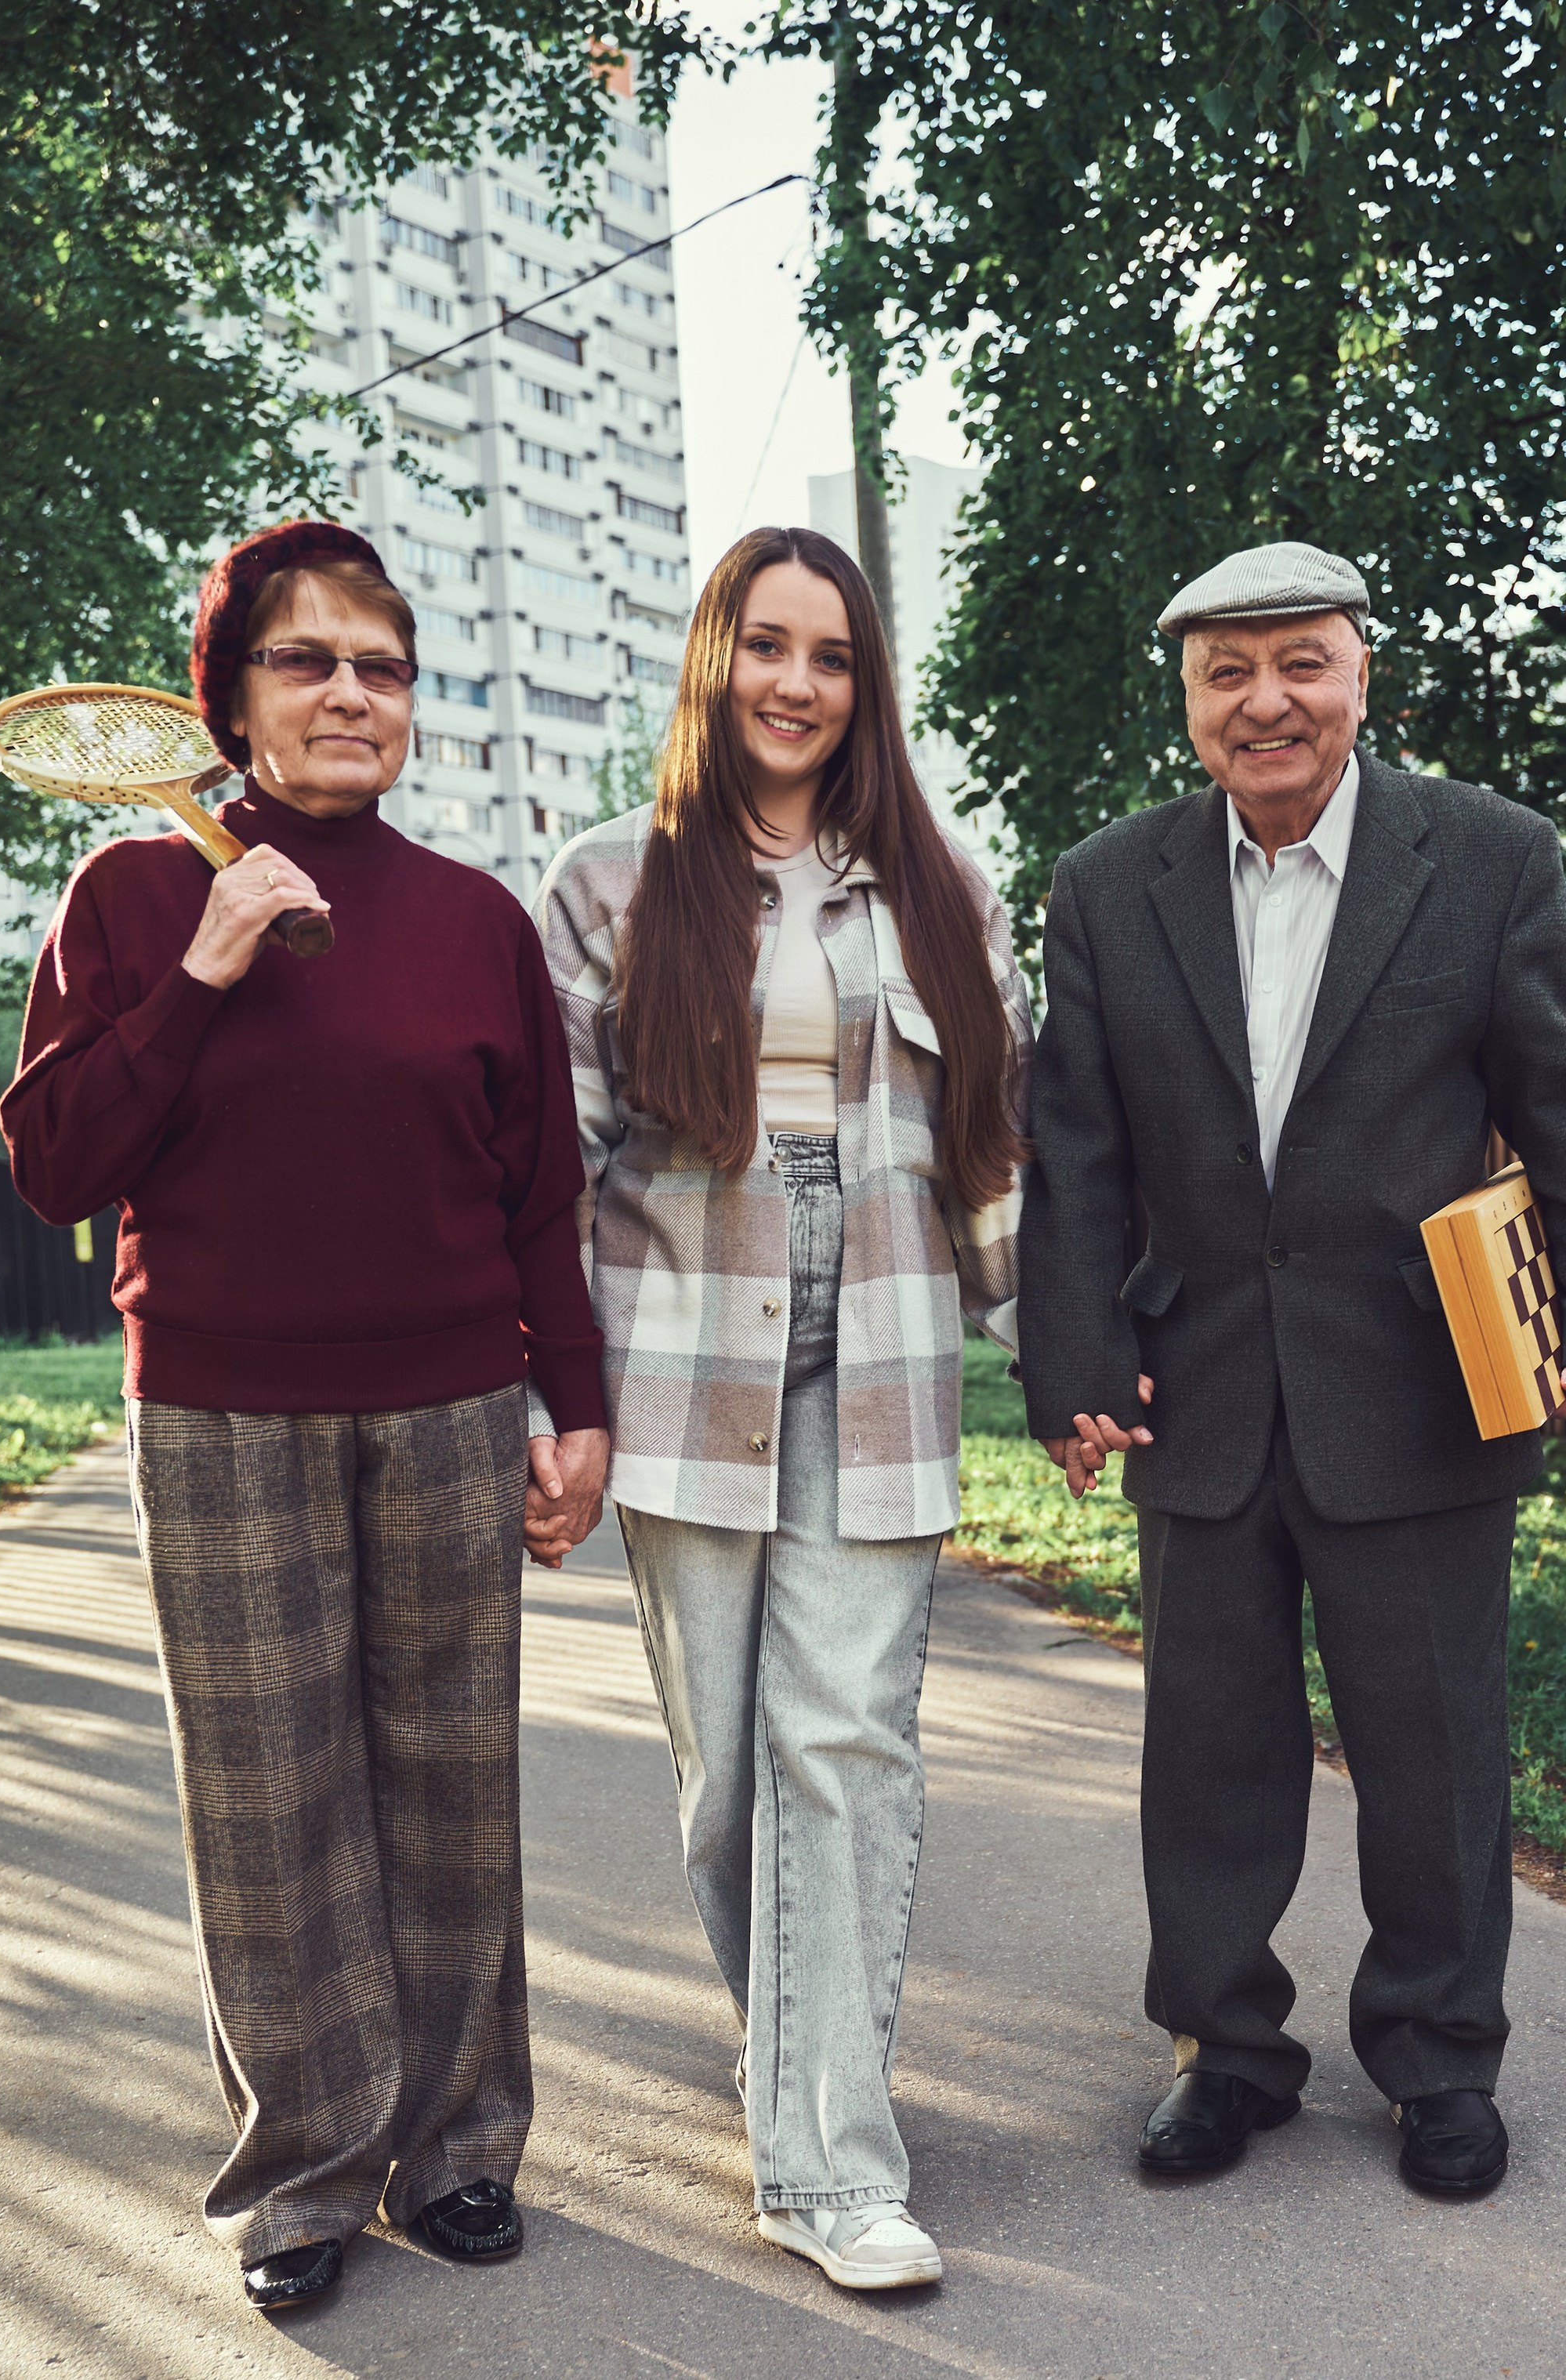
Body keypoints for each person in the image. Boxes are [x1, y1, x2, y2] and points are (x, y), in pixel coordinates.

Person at [2, 520, 608, 2313]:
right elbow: (53, 1165)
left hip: (445, 1403)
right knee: (272, 1806)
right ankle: (304, 2179)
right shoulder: (131, 893)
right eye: (307, 657)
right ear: (230, 694)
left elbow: (538, 1194)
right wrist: (203, 966)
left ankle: (461, 2146)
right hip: (219, 1409)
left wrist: (570, 1402)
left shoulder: (474, 920)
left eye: (383, 664)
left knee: (450, 1786)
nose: (352, 690)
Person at [1019, 539, 1566, 2200]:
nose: (1264, 700)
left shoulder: (1487, 857)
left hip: (1428, 1378)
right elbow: (1073, 1146)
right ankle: (1222, 2051)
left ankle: (1440, 2059)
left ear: (1359, 673)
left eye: (1296, 661)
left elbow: (1559, 1101)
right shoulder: (1104, 884)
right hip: (1198, 1385)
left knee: (1433, 1747)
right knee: (1205, 1751)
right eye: (1224, 673)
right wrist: (1071, 1351)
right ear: (1188, 704)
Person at [532, 525, 1031, 2291]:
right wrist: (553, 1396)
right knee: (722, 1770)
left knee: (845, 1736)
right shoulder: (603, 885)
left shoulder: (935, 886)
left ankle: (827, 2162)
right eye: (766, 644)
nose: (796, 682)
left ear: (861, 682)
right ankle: (786, 2045)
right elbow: (557, 1161)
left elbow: (986, 1146)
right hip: (680, 1345)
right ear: (714, 660)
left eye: (829, 653)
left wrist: (1057, 1356)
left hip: (882, 1340)